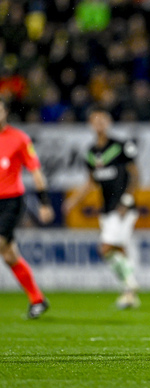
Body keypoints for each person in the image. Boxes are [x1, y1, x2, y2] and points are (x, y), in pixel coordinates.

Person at [62, 108, 141, 309]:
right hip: (106, 208)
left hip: (123, 207)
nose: (99, 124)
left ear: (108, 122)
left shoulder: (121, 146)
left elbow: (136, 175)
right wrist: (74, 201)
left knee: (105, 248)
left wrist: (127, 200)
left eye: (102, 120)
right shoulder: (91, 152)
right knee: (119, 250)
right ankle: (129, 293)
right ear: (90, 124)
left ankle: (131, 284)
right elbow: (90, 183)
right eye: (94, 120)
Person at [0, 98, 54, 318]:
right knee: (10, 255)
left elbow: (36, 172)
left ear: (5, 112)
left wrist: (44, 202)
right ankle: (37, 299)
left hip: (10, 202)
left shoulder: (19, 138)